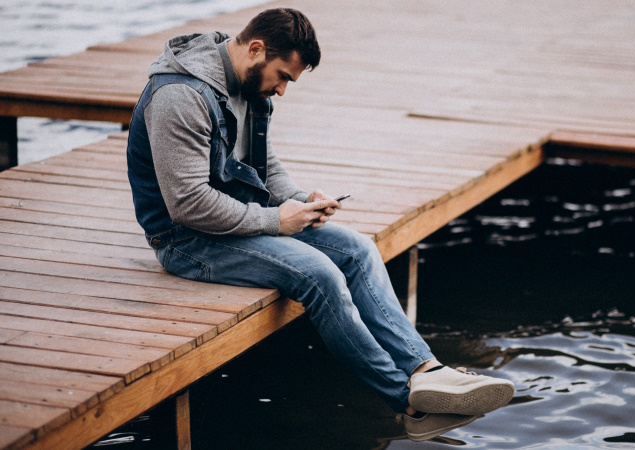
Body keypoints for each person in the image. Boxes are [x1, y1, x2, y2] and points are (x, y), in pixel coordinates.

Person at [126, 7, 514, 442]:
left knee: (359, 249)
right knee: (320, 274)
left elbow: (263, 167)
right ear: (255, 49)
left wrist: (299, 200)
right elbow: (188, 205)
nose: (283, 90)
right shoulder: (181, 95)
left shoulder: (250, 84)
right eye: (283, 76)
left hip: (239, 220)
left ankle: (428, 370)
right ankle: (409, 404)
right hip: (185, 240)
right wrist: (276, 220)